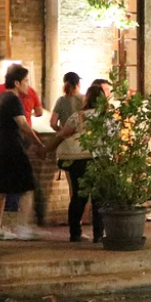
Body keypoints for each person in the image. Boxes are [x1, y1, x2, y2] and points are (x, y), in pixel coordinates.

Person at [0, 65, 44, 241]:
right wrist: (38, 143)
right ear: (17, 82)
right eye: (26, 81)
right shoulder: (13, 100)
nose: (28, 85)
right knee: (28, 187)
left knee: (1, 189)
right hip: (13, 149)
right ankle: (23, 227)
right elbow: (23, 124)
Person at [50, 83, 106, 242]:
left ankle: (75, 232)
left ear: (87, 99)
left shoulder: (78, 117)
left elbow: (62, 134)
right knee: (99, 198)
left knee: (78, 196)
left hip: (78, 160)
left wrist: (47, 149)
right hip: (100, 160)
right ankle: (98, 234)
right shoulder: (107, 118)